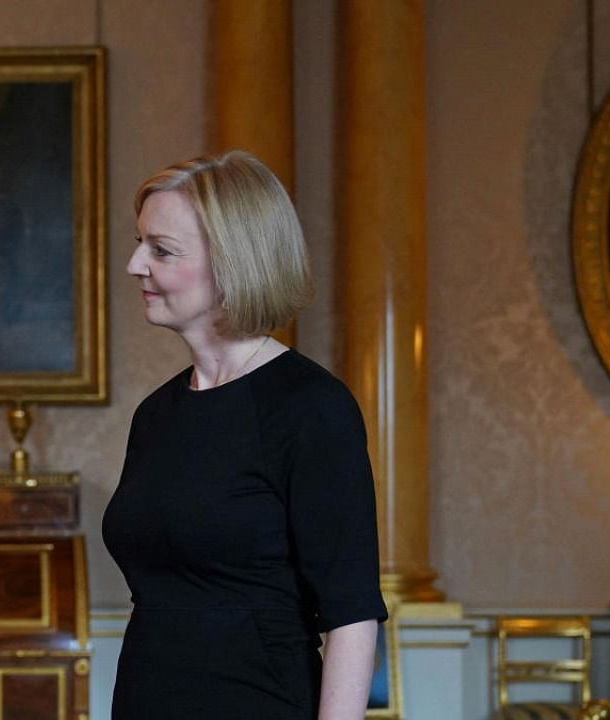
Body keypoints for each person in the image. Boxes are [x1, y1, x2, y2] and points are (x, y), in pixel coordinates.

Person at [102, 150, 387, 719]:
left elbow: (351, 613)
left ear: (233, 262)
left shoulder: (311, 408)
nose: (135, 264)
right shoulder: (157, 414)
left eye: (161, 250)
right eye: (140, 244)